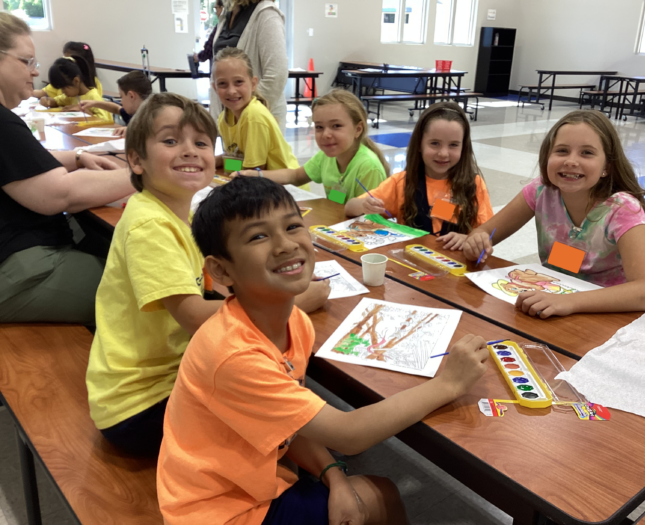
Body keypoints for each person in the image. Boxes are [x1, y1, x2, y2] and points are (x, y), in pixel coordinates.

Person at [156, 176, 490, 524]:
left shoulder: (295, 322)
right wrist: (448, 384)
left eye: (293, 226)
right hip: (217, 510)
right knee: (382, 497)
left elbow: (291, 423)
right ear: (222, 270)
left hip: (249, 480)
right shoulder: (233, 354)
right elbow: (349, 434)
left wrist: (334, 474)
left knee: (372, 494)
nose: (285, 245)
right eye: (258, 236)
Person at [85, 93, 224, 457]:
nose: (190, 151)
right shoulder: (149, 225)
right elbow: (194, 315)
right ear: (136, 160)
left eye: (201, 142)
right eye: (170, 140)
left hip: (159, 382)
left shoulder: (173, 215)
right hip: (141, 404)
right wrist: (283, 303)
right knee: (269, 405)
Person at [463, 110, 645, 318]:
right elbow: (487, 233)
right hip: (552, 306)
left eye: (587, 153)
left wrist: (569, 302)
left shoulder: (623, 209)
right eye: (562, 151)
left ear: (607, 167)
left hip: (606, 315)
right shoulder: (541, 191)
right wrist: (477, 240)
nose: (571, 161)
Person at [0, 12, 133, 324]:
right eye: (27, 61)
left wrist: (76, 157)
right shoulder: (2, 123)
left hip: (19, 254)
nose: (35, 73)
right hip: (19, 268)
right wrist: (143, 174)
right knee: (147, 292)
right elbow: (59, 195)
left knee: (108, 241)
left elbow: (20, 164)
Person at [345, 101, 494, 250]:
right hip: (410, 264)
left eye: (454, 145)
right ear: (419, 145)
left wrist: (468, 239)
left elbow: (486, 235)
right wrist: (364, 205)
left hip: (456, 265)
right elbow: (349, 208)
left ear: (464, 147)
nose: (443, 153)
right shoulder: (401, 182)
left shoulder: (474, 184)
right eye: (435, 143)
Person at [239, 90, 389, 204]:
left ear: (358, 129)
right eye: (319, 127)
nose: (326, 134)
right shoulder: (326, 157)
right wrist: (256, 175)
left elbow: (370, 220)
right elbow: (295, 176)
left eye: (336, 126)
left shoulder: (368, 167)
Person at [213, 47, 297, 171]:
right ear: (214, 88)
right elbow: (233, 160)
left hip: (286, 187)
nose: (231, 91)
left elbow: (254, 170)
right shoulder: (223, 119)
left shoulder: (253, 116)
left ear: (253, 84)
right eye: (222, 84)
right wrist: (210, 162)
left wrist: (223, 164)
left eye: (238, 82)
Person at [209, 0, 288, 131]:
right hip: (230, 117)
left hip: (258, 119)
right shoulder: (227, 14)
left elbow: (277, 75)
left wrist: (247, 113)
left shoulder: (266, 13)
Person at [39, 56, 113, 122]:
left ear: (76, 81)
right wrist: (48, 101)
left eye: (64, 88)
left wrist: (83, 111)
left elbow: (104, 120)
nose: (62, 91)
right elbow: (57, 101)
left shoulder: (93, 97)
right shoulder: (73, 96)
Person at [79, 70, 153, 137]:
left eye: (121, 97)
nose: (121, 101)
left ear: (131, 96)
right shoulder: (133, 113)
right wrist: (94, 103)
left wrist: (131, 131)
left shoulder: (153, 116)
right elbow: (116, 108)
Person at [33, 41, 103, 101]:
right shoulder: (64, 78)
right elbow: (43, 93)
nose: (65, 64)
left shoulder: (93, 88)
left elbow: (97, 110)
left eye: (68, 61)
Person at [193, 0, 225, 65]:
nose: (216, 13)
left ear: (222, 8)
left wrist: (198, 57)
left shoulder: (220, 27)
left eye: (216, 9)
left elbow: (209, 49)